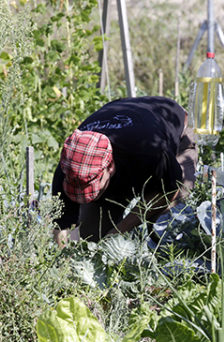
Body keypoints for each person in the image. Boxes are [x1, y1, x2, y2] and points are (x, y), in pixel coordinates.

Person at [52, 96, 197, 244]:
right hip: (127, 133)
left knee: (164, 221)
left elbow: (170, 190)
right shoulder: (69, 167)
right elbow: (61, 227)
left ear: (110, 167)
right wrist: (63, 263)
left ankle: (161, 257)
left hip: (169, 122)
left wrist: (117, 232)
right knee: (92, 235)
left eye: (90, 187)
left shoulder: (150, 151)